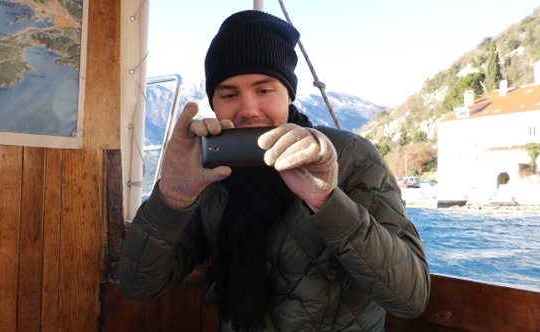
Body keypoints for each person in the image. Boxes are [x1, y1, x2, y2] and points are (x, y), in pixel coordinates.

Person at [120, 10, 430, 332]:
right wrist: (173, 195)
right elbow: (139, 286)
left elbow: (411, 298)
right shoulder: (207, 170)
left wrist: (325, 201)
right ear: (214, 102)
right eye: (229, 94)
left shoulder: (351, 155)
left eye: (264, 90)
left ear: (288, 93)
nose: (248, 109)